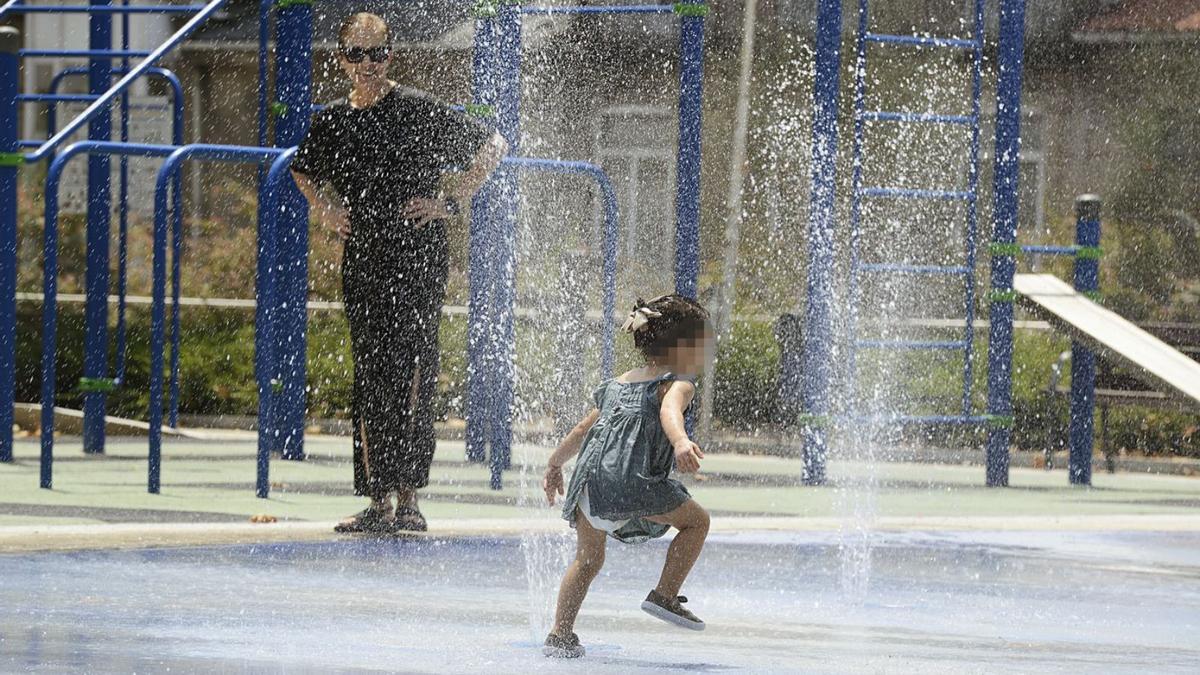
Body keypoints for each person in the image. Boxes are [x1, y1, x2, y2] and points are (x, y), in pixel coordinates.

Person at [291, 12, 509, 533]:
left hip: (416, 257)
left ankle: (409, 499)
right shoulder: (332, 121)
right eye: (357, 54)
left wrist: (449, 201)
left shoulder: (416, 108)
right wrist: (325, 210)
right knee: (370, 374)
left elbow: (493, 145)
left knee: (411, 371)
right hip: (364, 256)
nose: (368, 64)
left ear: (391, 53)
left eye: (378, 53)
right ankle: (376, 501)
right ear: (341, 59)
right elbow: (302, 169)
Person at [541, 294, 714, 658]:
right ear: (682, 347)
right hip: (630, 481)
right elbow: (670, 412)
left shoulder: (618, 383)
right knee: (697, 522)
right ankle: (665, 595)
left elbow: (582, 430)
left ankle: (560, 634)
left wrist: (555, 463)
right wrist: (681, 441)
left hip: (588, 483)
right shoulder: (678, 383)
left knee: (587, 560)